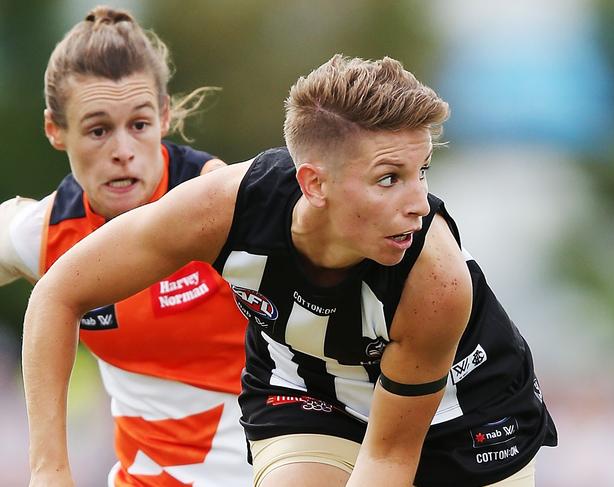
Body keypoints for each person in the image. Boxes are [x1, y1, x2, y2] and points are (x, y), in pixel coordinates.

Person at [22, 54, 558, 487]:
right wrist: (50, 472)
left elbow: (390, 459)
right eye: (389, 178)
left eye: (422, 172)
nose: (420, 203)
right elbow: (57, 295)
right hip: (309, 393)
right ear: (314, 183)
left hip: (470, 419)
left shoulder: (436, 279)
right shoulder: (220, 209)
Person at [1, 6, 251, 486]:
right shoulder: (48, 231)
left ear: (162, 115)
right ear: (56, 130)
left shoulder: (230, 208)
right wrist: (48, 470)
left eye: (138, 125)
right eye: (98, 130)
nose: (122, 150)